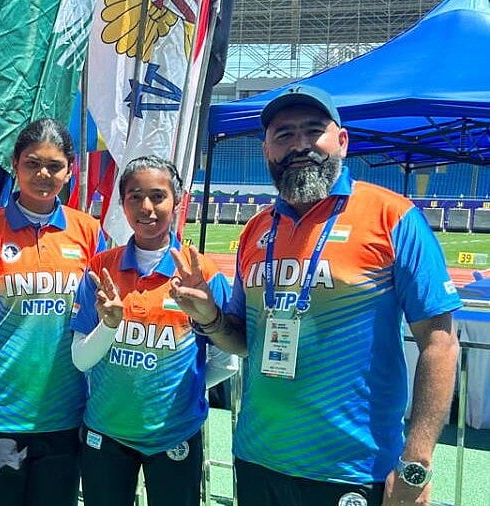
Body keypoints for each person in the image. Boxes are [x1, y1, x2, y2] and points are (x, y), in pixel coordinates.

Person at [171, 85, 461, 506]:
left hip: (353, 469)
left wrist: (416, 460)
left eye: (313, 131)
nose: (299, 145)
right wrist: (210, 317)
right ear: (266, 150)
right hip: (258, 458)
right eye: (284, 135)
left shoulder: (393, 217)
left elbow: (440, 343)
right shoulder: (256, 230)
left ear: (341, 140)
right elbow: (244, 343)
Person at [0, 118, 106, 506]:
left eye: (54, 166)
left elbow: (98, 324)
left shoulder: (88, 232)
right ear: (14, 164)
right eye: (32, 163)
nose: (43, 175)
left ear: (70, 170)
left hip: (63, 416)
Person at [69, 155, 231, 506]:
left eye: (158, 196)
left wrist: (179, 387)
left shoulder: (202, 273)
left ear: (177, 201)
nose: (146, 207)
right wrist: (109, 325)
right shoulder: (101, 268)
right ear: (122, 203)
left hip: (174, 433)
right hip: (105, 431)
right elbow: (81, 360)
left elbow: (227, 361)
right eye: (135, 197)